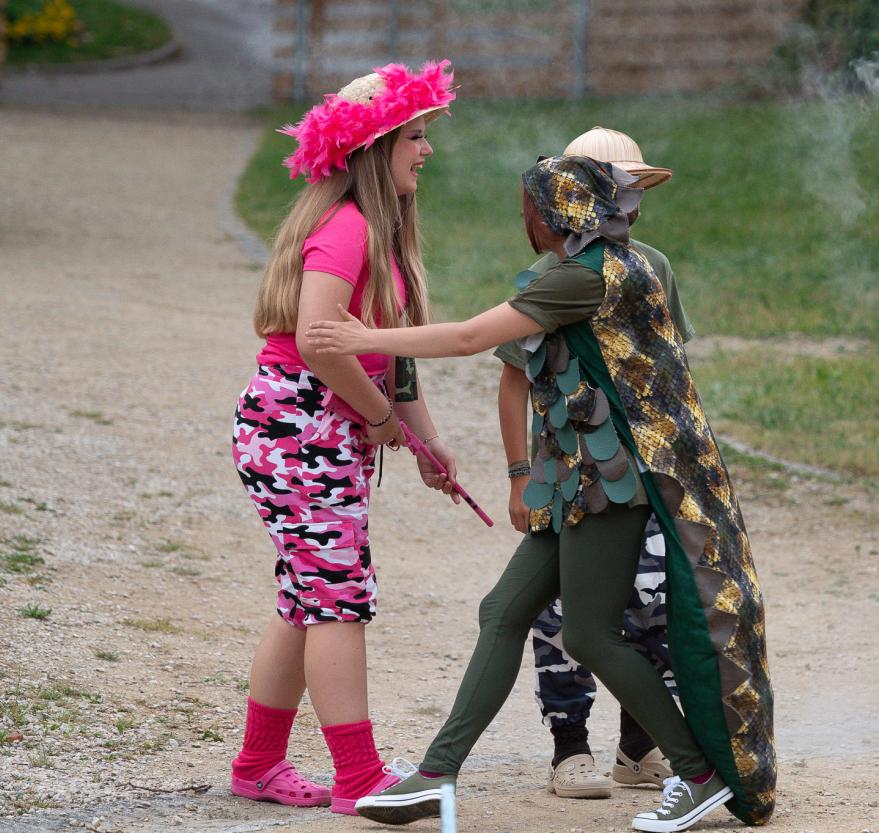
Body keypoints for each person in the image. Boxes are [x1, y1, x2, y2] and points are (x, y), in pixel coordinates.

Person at [306, 156, 776, 832]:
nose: (520, 218)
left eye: (526, 207)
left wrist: (361, 336)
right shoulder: (628, 260)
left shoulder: (575, 277)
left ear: (547, 215)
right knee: (502, 610)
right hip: (584, 476)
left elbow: (471, 336)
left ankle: (697, 774)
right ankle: (435, 776)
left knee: (587, 633)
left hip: (607, 484)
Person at [229, 60, 458, 816]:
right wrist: (380, 422)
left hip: (308, 426)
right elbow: (322, 340)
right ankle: (358, 776)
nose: (425, 150)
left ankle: (259, 764)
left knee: (306, 596)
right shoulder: (349, 227)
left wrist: (424, 441)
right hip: (301, 424)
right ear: (373, 150)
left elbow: (382, 356)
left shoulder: (378, 232)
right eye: (414, 138)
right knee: (338, 601)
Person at [495, 127, 694, 799]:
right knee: (559, 616)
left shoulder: (653, 266)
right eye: (620, 187)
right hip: (565, 473)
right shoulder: (554, 275)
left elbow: (672, 370)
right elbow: (514, 379)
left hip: (642, 473)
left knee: (655, 600)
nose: (631, 201)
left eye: (636, 188)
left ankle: (637, 749)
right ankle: (568, 747)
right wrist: (520, 474)